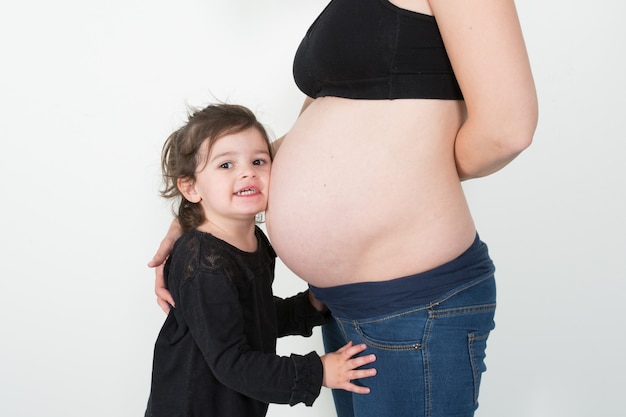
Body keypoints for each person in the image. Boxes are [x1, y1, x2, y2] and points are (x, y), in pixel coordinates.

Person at [149, 0, 538, 416]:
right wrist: (203, 216)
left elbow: (507, 131)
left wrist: (410, 176)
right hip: (341, 307)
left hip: (413, 303)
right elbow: (316, 130)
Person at [145, 103, 377, 417]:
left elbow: (250, 317)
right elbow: (233, 363)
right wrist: (317, 372)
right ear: (191, 187)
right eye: (226, 165)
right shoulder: (204, 263)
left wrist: (306, 308)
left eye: (258, 161)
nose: (247, 172)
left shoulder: (253, 239)